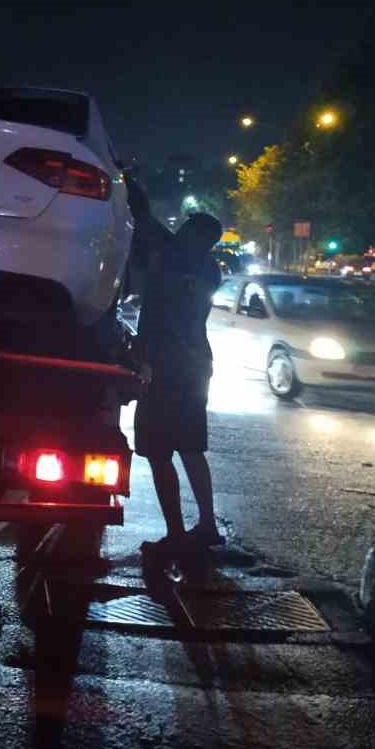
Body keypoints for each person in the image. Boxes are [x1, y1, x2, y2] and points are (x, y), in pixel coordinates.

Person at [125, 177, 225, 551]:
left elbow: (147, 223)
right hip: (193, 367)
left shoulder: (181, 264)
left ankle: (179, 534)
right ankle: (205, 526)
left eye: (186, 231)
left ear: (196, 238)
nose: (179, 233)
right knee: (188, 447)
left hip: (170, 368)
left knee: (159, 450)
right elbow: (150, 224)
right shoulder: (205, 268)